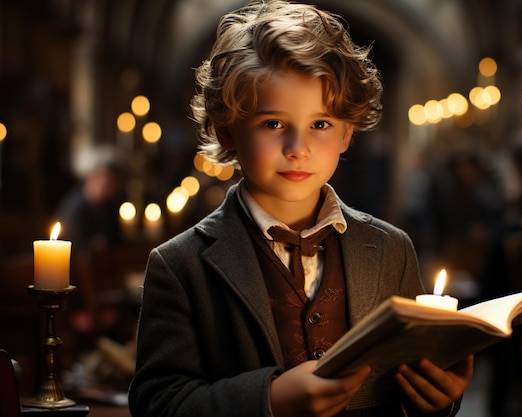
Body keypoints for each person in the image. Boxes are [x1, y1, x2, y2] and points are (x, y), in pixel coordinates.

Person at [128, 1, 474, 416]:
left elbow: (408, 385)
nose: (298, 149)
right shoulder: (179, 265)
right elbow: (157, 403)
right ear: (227, 129)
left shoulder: (391, 250)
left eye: (321, 124)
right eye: (273, 124)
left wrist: (437, 399)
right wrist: (268, 400)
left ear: (347, 132)